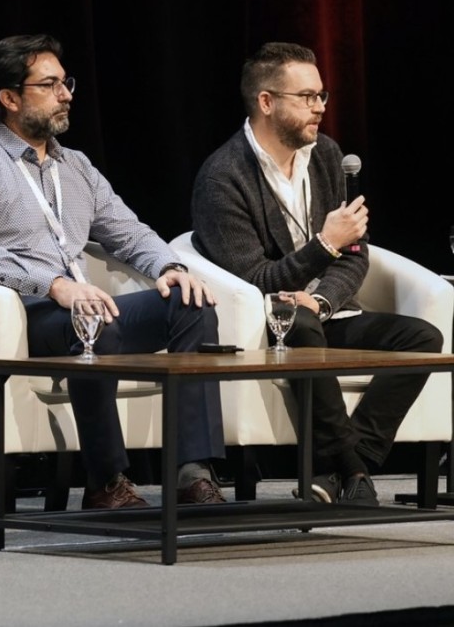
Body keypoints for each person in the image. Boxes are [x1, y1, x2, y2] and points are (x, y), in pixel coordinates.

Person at [0, 33, 227, 508]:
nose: (66, 94)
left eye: (65, 82)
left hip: (91, 308)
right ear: (10, 98)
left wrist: (169, 266)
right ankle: (105, 481)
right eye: (50, 84)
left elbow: (128, 232)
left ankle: (193, 471)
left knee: (191, 304)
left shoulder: (75, 166)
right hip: (28, 312)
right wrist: (53, 285)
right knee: (96, 322)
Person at [190, 41, 443, 506]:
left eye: (321, 95)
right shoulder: (222, 177)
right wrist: (323, 246)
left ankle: (348, 465)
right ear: (266, 102)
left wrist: (325, 298)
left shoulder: (326, 155)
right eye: (306, 97)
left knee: (422, 338)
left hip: (325, 313)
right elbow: (256, 278)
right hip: (268, 324)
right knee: (300, 321)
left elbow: (353, 254)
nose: (320, 107)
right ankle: (351, 469)